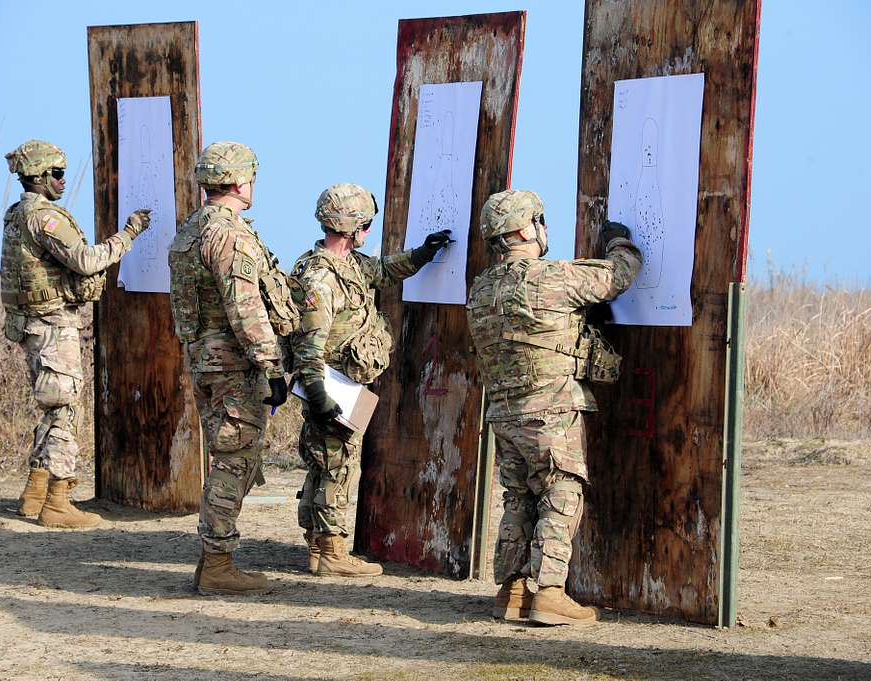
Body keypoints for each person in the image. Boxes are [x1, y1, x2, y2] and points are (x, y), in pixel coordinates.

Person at [465, 189, 642, 625]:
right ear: (525, 229)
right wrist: (620, 243)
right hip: (550, 408)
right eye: (540, 222)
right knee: (561, 492)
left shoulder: (481, 287)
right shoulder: (551, 277)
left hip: (503, 412)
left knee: (518, 497)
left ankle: (512, 589)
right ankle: (548, 591)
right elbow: (619, 276)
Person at [290, 183, 450, 577]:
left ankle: (317, 546)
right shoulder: (321, 279)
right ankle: (331, 553)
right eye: (366, 225)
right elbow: (309, 347)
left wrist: (423, 255)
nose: (369, 232)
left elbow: (385, 270)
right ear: (355, 227)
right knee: (336, 466)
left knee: (325, 464)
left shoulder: (350, 266)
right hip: (331, 386)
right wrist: (318, 395)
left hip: (343, 385)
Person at [168, 141, 299, 595]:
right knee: (234, 459)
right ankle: (219, 563)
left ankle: (214, 563)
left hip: (205, 361)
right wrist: (273, 365)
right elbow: (244, 308)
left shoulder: (190, 230)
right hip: (232, 365)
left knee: (230, 454)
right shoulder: (230, 234)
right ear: (242, 181)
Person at [3, 139, 151, 529]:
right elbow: (86, 261)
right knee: (65, 410)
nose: (63, 180)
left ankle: (35, 493)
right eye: (56, 174)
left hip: (37, 325)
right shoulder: (44, 218)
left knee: (54, 407)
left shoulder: (17, 214)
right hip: (52, 327)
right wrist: (129, 235)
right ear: (38, 177)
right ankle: (57, 501)